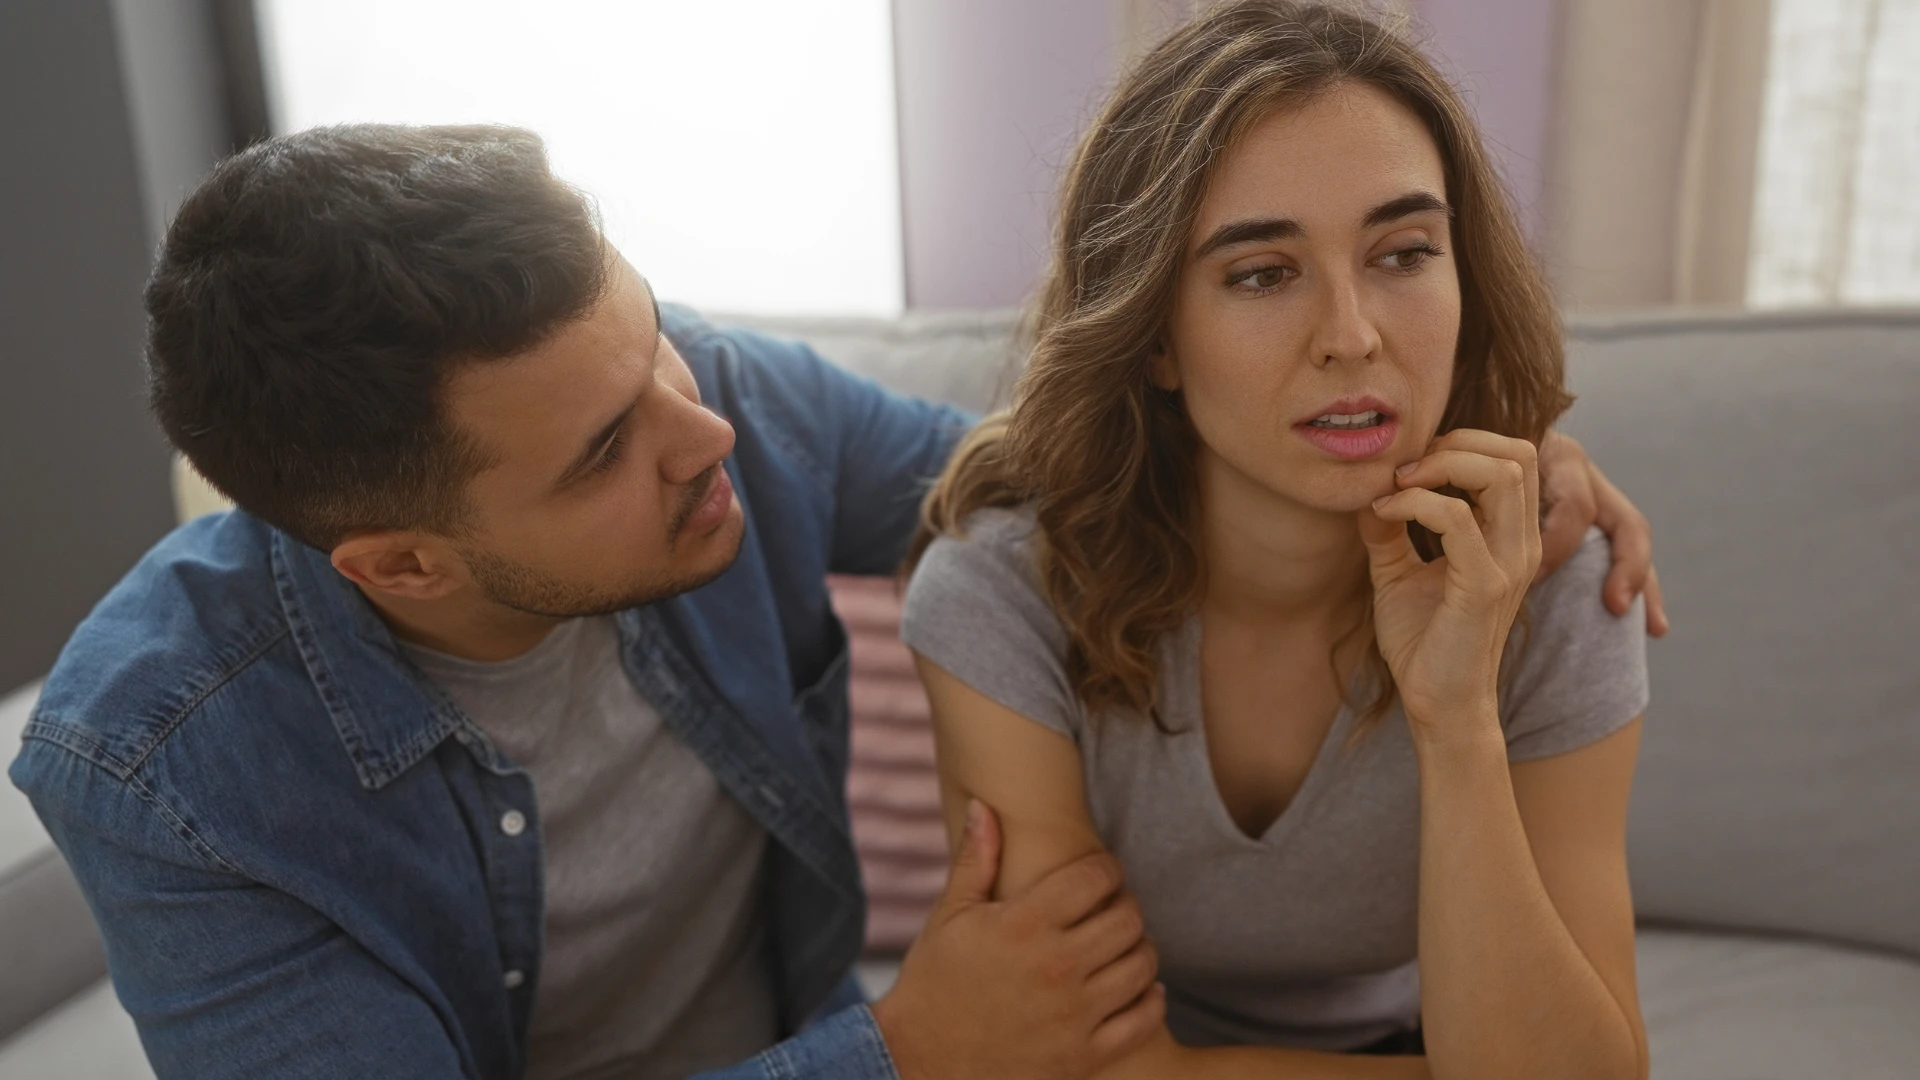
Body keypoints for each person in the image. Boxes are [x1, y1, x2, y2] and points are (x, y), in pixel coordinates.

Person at [10, 119, 1655, 1080]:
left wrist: (1435, 461)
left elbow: (1067, 477)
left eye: (652, 334)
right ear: (401, 564)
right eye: (603, 448)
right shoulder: (160, 770)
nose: (703, 428)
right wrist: (906, 1052)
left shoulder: (726, 412)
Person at [903, 3, 1653, 1078]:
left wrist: (1457, 719)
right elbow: (1092, 1062)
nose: (1352, 335)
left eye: (1403, 253)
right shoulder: (999, 599)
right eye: (1262, 273)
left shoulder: (1550, 577)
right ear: (1156, 335)